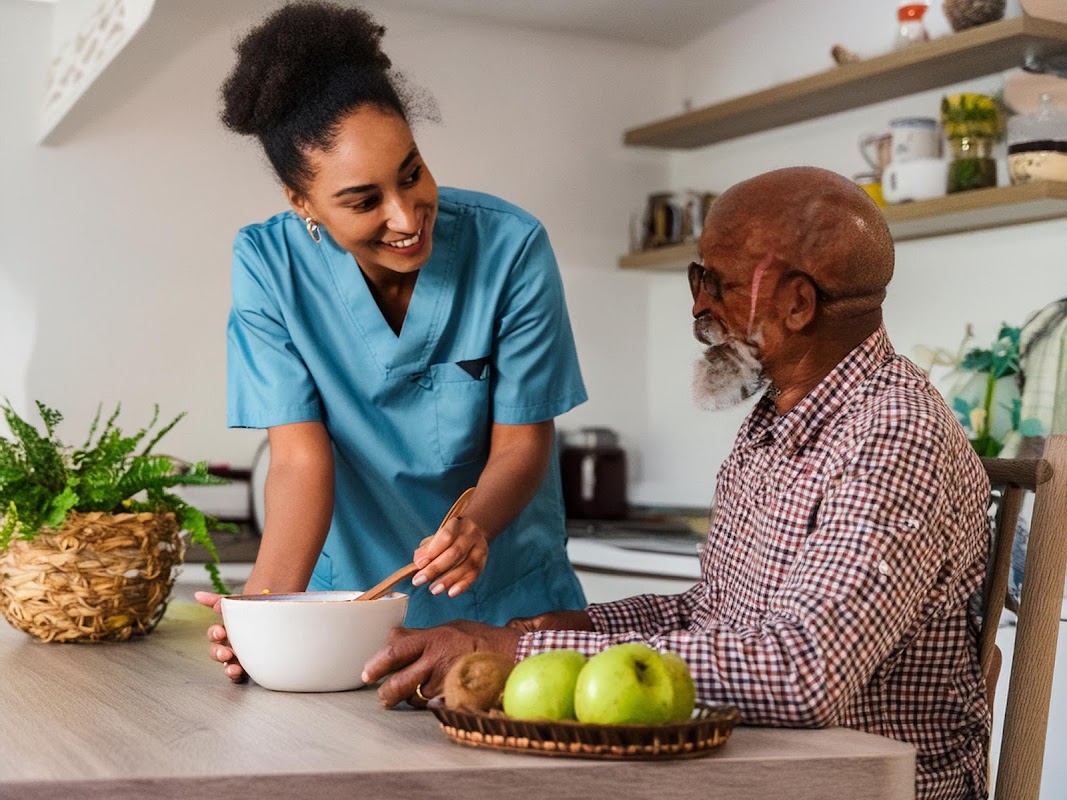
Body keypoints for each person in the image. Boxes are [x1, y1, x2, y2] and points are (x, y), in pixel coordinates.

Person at [363, 167, 992, 800]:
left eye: (716, 283)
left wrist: (522, 654)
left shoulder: (894, 436)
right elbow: (710, 613)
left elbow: (804, 671)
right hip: (768, 774)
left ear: (798, 304)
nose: (698, 304)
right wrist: (552, 631)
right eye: (698, 278)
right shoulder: (778, 422)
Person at [196, 1, 588, 678]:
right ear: (302, 202)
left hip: (504, 607)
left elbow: (523, 441)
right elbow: (298, 461)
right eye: (362, 200)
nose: (406, 218)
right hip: (349, 614)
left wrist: (474, 528)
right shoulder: (268, 265)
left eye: (411, 173)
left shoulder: (509, 246)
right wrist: (261, 615)